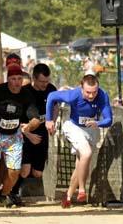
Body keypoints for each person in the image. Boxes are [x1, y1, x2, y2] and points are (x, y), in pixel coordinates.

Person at [0, 64, 41, 207]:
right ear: (8, 79)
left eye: (20, 78)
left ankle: (3, 194)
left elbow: (35, 119)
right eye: (14, 79)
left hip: (14, 136)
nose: (17, 82)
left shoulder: (26, 95)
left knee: (14, 171)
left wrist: (30, 126)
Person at [45, 73, 113, 207]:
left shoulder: (102, 96)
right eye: (88, 92)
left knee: (81, 163)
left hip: (92, 129)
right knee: (86, 153)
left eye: (94, 92)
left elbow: (108, 119)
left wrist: (98, 124)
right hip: (74, 127)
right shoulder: (73, 95)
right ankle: (82, 189)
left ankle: (68, 195)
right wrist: (49, 119)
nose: (91, 96)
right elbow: (52, 96)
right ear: (81, 88)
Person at [11, 63, 57, 204]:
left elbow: (55, 107)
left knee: (37, 172)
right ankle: (12, 192)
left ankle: (20, 185)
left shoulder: (51, 89)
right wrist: (29, 134)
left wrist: (52, 121)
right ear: (34, 79)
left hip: (42, 133)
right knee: (25, 169)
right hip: (25, 134)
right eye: (41, 81)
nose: (45, 84)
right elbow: (16, 120)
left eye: (46, 81)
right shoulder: (24, 92)